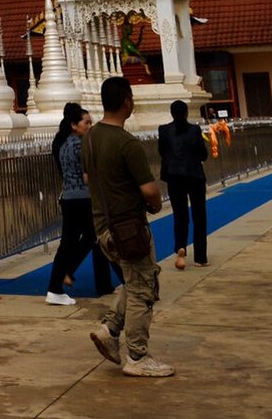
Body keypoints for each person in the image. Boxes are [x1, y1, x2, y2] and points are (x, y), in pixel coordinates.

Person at [84, 76, 172, 378]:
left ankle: (110, 329)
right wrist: (155, 204)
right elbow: (149, 190)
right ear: (126, 102)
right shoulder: (126, 143)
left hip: (103, 227)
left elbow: (88, 178)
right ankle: (137, 355)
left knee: (134, 282)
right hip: (128, 229)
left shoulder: (89, 138)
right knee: (143, 289)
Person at [44, 102, 113, 305]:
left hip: (69, 198)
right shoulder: (81, 146)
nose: (90, 126)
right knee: (92, 237)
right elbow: (88, 175)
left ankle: (57, 285)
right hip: (83, 198)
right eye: (86, 122)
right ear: (74, 125)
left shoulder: (63, 144)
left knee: (70, 242)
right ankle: (59, 282)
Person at [158, 99, 209, 270]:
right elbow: (203, 154)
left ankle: (180, 247)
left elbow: (162, 152)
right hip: (194, 176)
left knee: (180, 216)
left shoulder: (163, 131)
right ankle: (200, 257)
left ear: (171, 114)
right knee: (199, 216)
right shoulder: (194, 130)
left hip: (174, 176)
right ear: (187, 113)